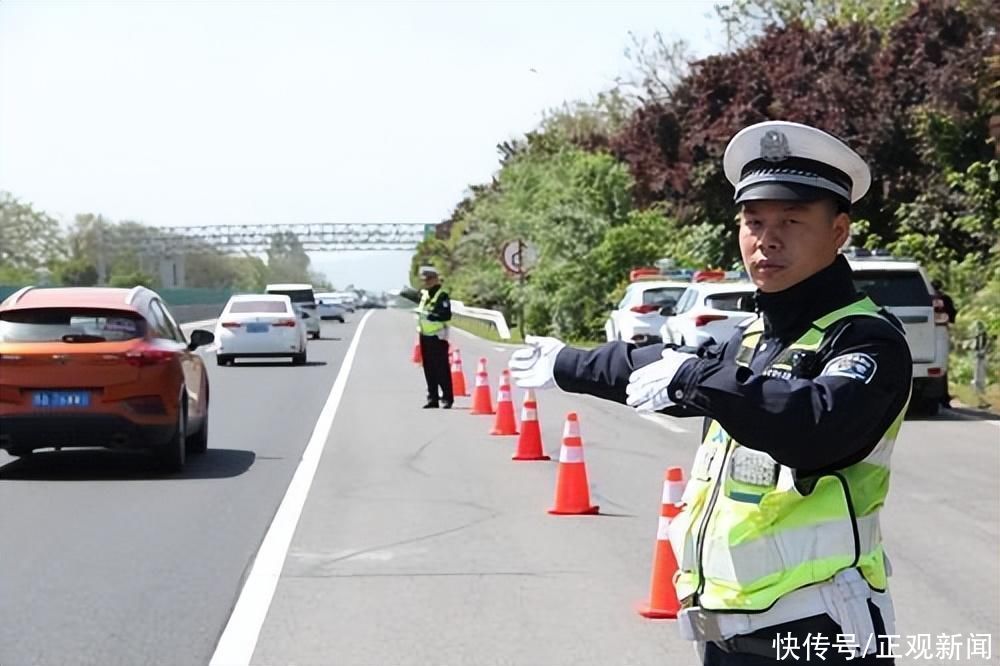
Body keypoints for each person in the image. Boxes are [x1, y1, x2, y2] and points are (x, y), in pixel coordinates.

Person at [509, 121, 912, 664]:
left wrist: (694, 377)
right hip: (727, 624)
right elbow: (650, 365)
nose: (767, 239)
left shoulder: (866, 338)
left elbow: (813, 428)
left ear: (839, 231)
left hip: (822, 627)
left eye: (791, 220)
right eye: (753, 222)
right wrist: (566, 363)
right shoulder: (748, 339)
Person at [415, 266, 454, 409]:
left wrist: (433, 316)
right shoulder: (425, 295)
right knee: (429, 368)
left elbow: (446, 315)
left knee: (441, 368)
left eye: (429, 279)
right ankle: (433, 398)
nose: (426, 282)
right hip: (425, 335)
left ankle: (447, 397)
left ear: (435, 279)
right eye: (425, 280)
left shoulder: (442, 295)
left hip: (438, 336)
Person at [931, 280, 957, 407]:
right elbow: (952, 316)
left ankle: (943, 398)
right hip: (935, 337)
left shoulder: (939, 299)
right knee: (941, 366)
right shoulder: (942, 299)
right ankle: (943, 398)